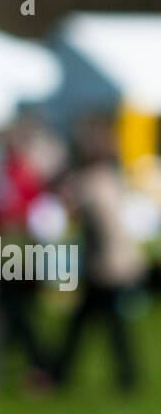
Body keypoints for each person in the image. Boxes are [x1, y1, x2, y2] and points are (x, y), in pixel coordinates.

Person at [54, 121, 146, 392]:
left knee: (90, 326)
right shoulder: (110, 179)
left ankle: (59, 375)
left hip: (105, 267)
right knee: (102, 325)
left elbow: (89, 222)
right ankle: (126, 377)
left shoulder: (90, 183)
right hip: (116, 262)